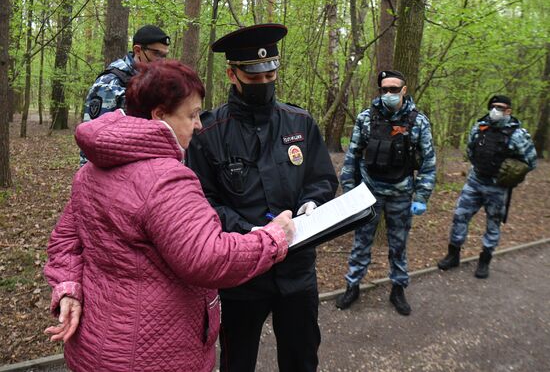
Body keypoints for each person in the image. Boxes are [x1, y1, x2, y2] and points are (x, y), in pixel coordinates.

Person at [44, 60, 295, 372]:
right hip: (156, 352)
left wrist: (68, 288)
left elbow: (65, 242)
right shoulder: (167, 179)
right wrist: (273, 238)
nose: (199, 124)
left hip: (94, 347)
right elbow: (208, 259)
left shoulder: (91, 171)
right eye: (191, 115)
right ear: (159, 115)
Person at [187, 23, 338, 372]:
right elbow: (202, 202)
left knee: (301, 358)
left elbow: (321, 178)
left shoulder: (299, 122)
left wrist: (311, 204)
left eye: (270, 75)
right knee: (238, 361)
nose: (265, 84)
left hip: (297, 270)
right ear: (232, 74)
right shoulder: (208, 134)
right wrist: (253, 232)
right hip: (242, 274)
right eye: (255, 78)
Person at [335, 70, 436, 315]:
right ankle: (353, 285)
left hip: (401, 194)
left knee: (398, 244)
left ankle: (398, 288)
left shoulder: (418, 121)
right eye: (384, 89)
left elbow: (428, 162)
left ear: (404, 90)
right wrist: (349, 191)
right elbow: (353, 156)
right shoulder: (366, 118)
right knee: (361, 242)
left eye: (394, 89)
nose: (388, 94)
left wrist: (421, 196)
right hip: (368, 193)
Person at [438, 95, 537, 278]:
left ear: (509, 110)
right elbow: (470, 151)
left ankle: (485, 261)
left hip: (497, 187)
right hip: (475, 182)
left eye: (500, 107)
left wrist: (511, 173)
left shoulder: (517, 135)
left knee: (493, 224)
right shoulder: (479, 127)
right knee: (460, 216)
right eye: (493, 106)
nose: (495, 110)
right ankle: (453, 255)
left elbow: (530, 161)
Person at [80, 24, 170, 165]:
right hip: (109, 171)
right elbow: (93, 138)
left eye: (164, 56)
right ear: (138, 50)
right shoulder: (110, 83)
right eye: (156, 54)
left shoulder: (154, 81)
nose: (162, 61)